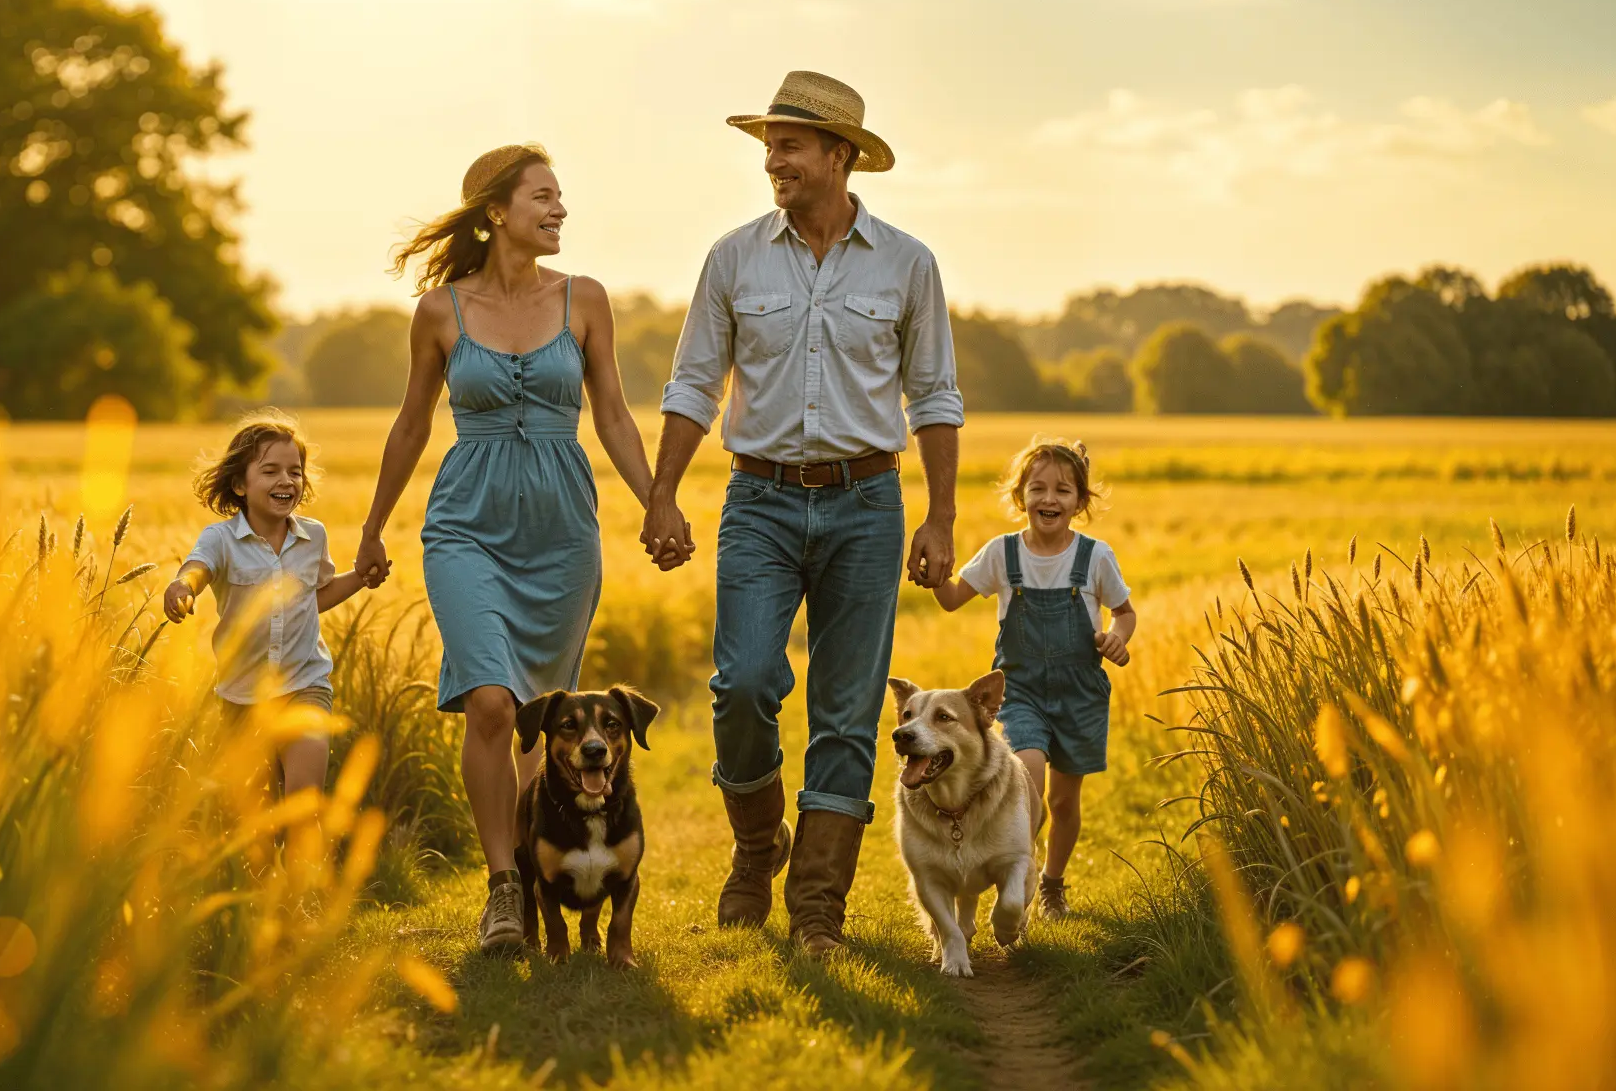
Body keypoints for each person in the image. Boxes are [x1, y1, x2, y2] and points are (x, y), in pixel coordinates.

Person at [640, 71, 964, 955]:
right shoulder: (733, 257)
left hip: (867, 506)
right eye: (769, 145)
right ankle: (757, 844)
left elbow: (934, 393)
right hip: (760, 501)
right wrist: (664, 491)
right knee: (743, 684)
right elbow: (695, 383)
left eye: (789, 145)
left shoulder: (909, 263)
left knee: (849, 710)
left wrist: (939, 516)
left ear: (841, 156)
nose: (773, 161)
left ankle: (818, 908)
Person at [355, 145, 660, 951]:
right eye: (543, 197)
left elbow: (616, 417)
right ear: (495, 212)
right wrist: (373, 525)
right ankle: (501, 886)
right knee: (490, 702)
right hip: (467, 527)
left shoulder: (585, 299)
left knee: (535, 723)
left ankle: (531, 875)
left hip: (563, 534)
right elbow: (413, 423)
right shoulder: (439, 312)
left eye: (562, 198)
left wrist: (657, 501)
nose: (560, 211)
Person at [930, 437, 1136, 918]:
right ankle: (1015, 874)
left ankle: (1052, 882)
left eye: (1063, 490)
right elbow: (952, 597)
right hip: (1021, 693)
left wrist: (1116, 637)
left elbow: (1124, 612)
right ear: (1020, 496)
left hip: (1079, 694)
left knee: (1064, 804)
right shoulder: (1002, 554)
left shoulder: (1095, 557)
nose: (1049, 499)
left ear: (1079, 501)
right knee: (1028, 776)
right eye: (1038, 489)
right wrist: (934, 568)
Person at [163, 411, 381, 799]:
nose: (286, 480)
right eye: (270, 471)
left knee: (301, 800)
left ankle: (301, 858)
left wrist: (360, 578)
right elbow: (198, 568)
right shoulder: (221, 539)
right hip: (242, 696)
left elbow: (314, 598)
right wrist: (183, 586)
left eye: (295, 472)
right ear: (239, 484)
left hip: (305, 684)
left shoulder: (313, 536)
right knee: (255, 810)